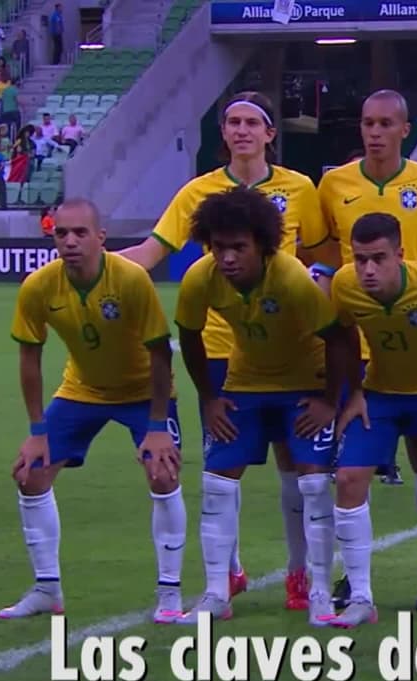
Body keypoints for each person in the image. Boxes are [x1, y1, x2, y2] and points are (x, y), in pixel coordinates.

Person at [119, 91, 325, 611]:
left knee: (292, 463)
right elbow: (152, 251)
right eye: (232, 122)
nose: (241, 130)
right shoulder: (198, 191)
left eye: (252, 122)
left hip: (285, 348)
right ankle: (228, 572)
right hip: (218, 348)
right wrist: (99, 267)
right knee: (222, 463)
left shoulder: (300, 188)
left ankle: (299, 572)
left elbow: (323, 255)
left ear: (270, 133)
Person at [316, 89, 417, 612]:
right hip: (363, 354)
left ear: (405, 130)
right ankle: (351, 581)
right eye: (368, 123)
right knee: (343, 472)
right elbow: (321, 255)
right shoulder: (334, 184)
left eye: (386, 123)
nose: (375, 132)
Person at [173, 186, 360, 625]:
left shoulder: (291, 277)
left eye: (238, 247)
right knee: (217, 482)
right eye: (219, 247)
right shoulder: (200, 278)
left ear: (263, 244)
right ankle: (216, 593)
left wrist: (330, 401)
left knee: (312, 483)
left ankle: (318, 591)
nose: (227, 257)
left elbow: (338, 337)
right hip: (246, 384)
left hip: (303, 383)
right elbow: (189, 335)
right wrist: (210, 398)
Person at [0, 199, 184, 622]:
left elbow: (160, 353)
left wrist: (158, 425)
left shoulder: (131, 279)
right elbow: (29, 359)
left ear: (101, 238)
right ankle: (47, 589)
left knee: (163, 473)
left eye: (80, 233)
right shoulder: (39, 286)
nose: (70, 241)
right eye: (61, 233)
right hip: (83, 389)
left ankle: (169, 593)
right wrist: (37, 431)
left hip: (143, 391)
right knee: (31, 474)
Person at [328, 213, 417, 629]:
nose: (368, 270)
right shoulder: (345, 284)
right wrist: (354, 391)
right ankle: (360, 598)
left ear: (400, 255)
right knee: (348, 479)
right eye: (360, 259)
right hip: (381, 395)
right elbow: (341, 332)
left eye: (379, 258)